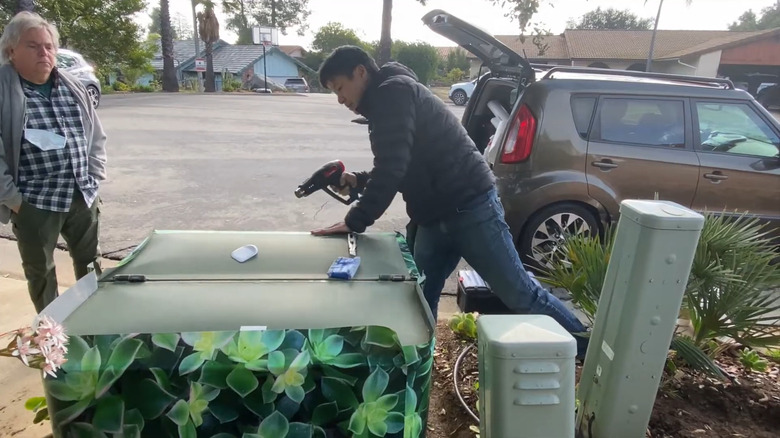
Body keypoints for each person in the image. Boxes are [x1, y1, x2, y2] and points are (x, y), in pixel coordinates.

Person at [311, 46, 588, 356]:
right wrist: (359, 181)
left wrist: (354, 220)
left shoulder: (392, 94)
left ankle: (586, 350)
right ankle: (416, 370)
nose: (340, 99)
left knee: (520, 293)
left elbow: (392, 168)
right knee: (418, 298)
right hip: (432, 217)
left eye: (340, 88)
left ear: (360, 72)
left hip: (472, 208)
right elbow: (403, 162)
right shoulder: (386, 99)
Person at [0, 12, 107, 313]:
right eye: (33, 46)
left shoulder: (72, 87)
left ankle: (93, 328)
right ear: (11, 52)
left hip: (82, 195)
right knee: (41, 273)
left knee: (91, 266)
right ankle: (52, 338)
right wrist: (14, 200)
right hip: (35, 202)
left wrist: (95, 176)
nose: (44, 53)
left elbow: (96, 136)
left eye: (48, 46)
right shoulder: (5, 92)